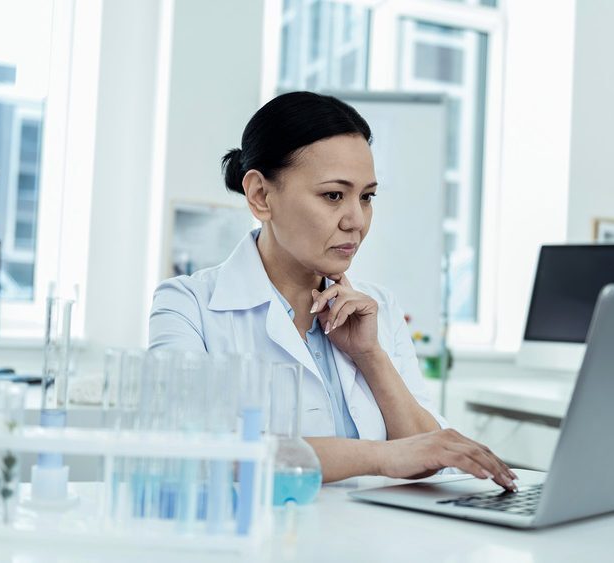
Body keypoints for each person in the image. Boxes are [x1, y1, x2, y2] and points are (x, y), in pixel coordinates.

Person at [149, 91, 517, 491]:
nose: (356, 221)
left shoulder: (380, 309)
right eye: (333, 196)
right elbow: (203, 453)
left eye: (367, 197)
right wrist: (382, 458)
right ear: (260, 195)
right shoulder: (187, 305)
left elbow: (431, 456)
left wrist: (370, 356)